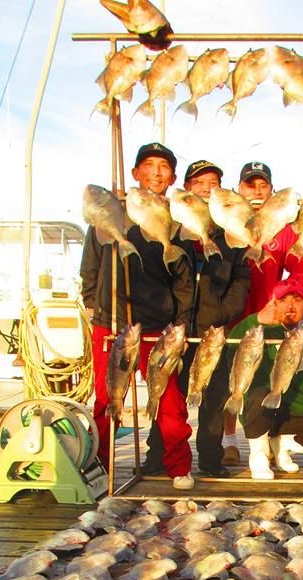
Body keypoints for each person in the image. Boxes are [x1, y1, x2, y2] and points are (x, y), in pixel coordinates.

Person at [80, 142, 195, 489]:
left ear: (173, 177)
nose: (156, 172)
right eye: (149, 165)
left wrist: (182, 321)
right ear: (135, 174)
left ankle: (178, 467)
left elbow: (185, 280)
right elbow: (90, 265)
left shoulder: (176, 222)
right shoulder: (109, 212)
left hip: (158, 325)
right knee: (105, 398)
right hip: (112, 320)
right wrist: (91, 302)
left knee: (169, 400)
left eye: (164, 167)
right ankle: (98, 466)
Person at [222, 160, 303, 466]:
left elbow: (299, 274)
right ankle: (229, 440)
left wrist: (279, 296)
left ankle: (268, 438)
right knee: (231, 375)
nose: (257, 191)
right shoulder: (227, 220)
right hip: (232, 311)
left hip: (268, 314)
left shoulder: (284, 229)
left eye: (263, 185)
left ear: (272, 190)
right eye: (250, 185)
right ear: (239, 188)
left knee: (266, 375)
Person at [227, 279, 303, 480]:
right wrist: (256, 320)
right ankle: (259, 454)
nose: (291, 306)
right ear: (274, 303)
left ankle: (281, 444)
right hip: (262, 409)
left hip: (293, 411)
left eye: (297, 300)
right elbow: (231, 346)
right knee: (259, 394)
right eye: (283, 300)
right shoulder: (259, 329)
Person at [177, 159, 250, 478]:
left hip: (215, 329)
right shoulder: (174, 228)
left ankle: (210, 458)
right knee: (172, 396)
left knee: (215, 396)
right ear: (188, 189)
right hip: (177, 328)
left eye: (214, 184)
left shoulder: (230, 234)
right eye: (199, 183)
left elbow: (242, 280)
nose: (206, 189)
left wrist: (223, 314)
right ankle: (162, 457)